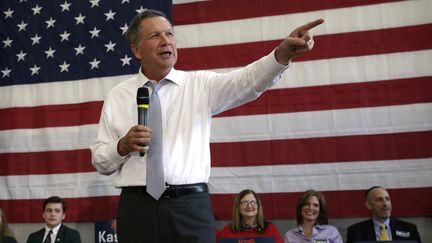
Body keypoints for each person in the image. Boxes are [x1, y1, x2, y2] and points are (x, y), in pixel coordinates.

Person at [90, 8, 324, 243]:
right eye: (155, 36)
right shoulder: (117, 96)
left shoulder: (200, 85)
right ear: (136, 50)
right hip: (137, 209)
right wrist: (121, 146)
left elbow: (248, 81)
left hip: (189, 208)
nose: (166, 41)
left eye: (169, 34)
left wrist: (282, 55)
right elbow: (100, 160)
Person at [346, 186, 422, 243]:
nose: (385, 204)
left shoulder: (409, 229)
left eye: (387, 199)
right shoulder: (355, 232)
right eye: (379, 200)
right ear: (368, 205)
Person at [218, 189, 283, 243]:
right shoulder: (227, 230)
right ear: (238, 207)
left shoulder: (270, 229)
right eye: (245, 203)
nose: (249, 206)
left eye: (253, 202)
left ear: (258, 206)